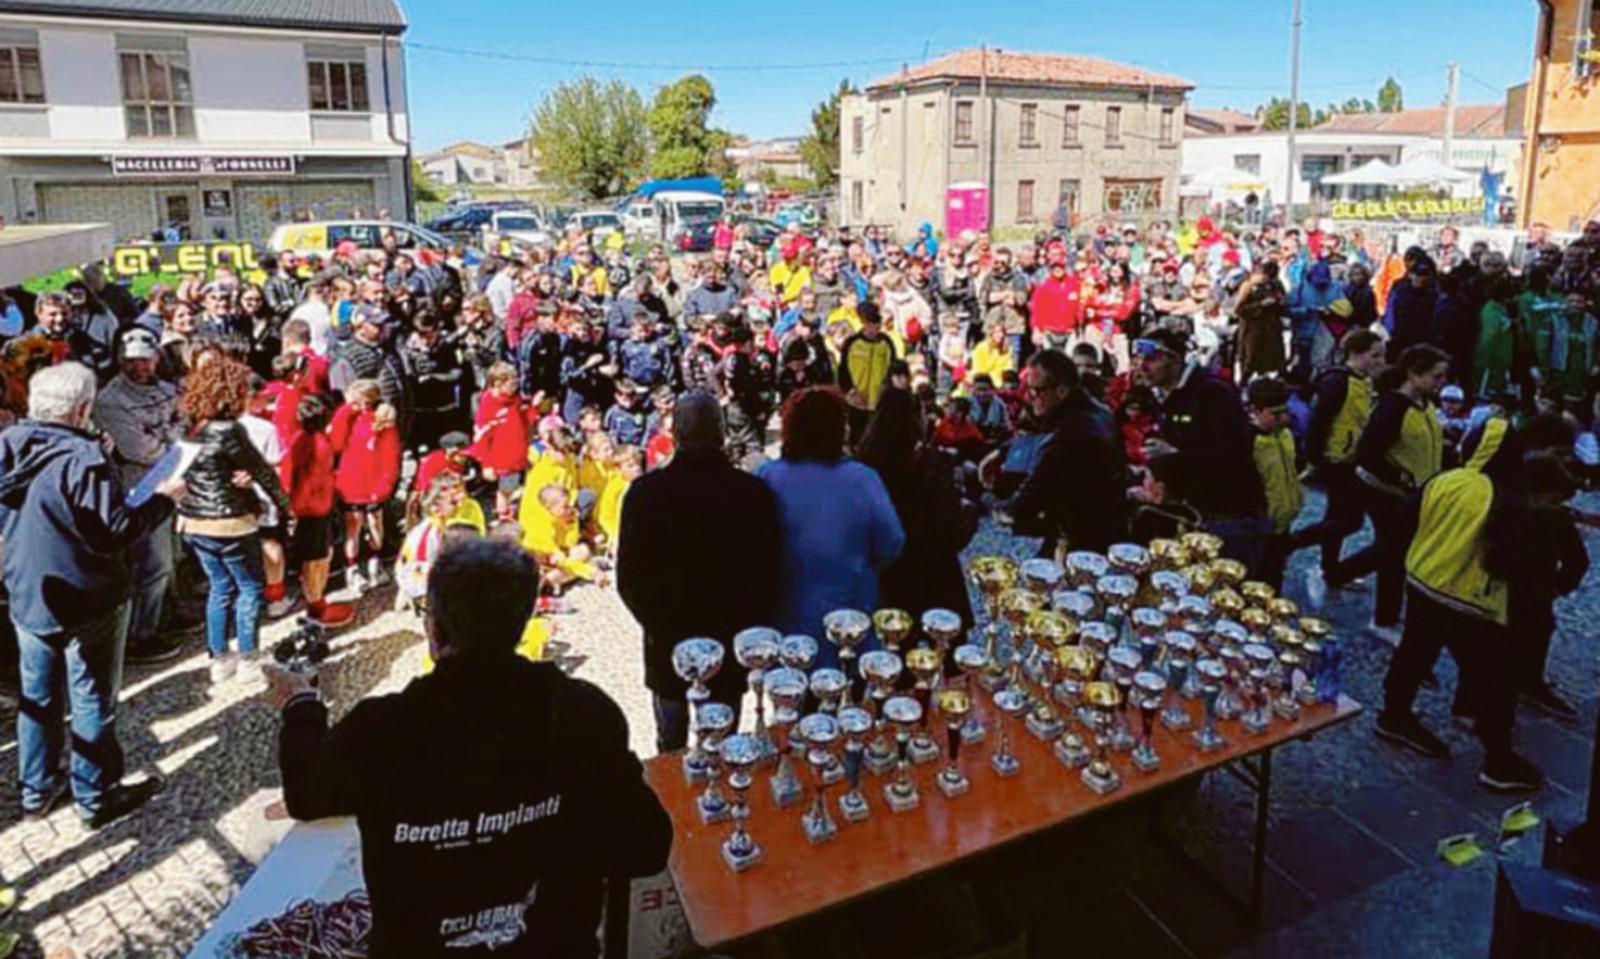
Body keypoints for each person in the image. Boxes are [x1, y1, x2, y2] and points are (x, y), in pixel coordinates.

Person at [271, 536, 672, 958]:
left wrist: (301, 705)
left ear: (435, 629)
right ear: (523, 621)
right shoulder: (582, 713)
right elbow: (644, 848)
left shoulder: (380, 730)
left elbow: (305, 793)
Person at [2, 363, 185, 826]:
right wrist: (165, 498)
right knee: (91, 696)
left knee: (37, 696)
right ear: (83, 408)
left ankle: (36, 791)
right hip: (87, 594)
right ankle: (96, 795)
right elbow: (114, 530)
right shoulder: (83, 459)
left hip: (28, 587)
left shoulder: (9, 443)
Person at [1377, 417, 1541, 793]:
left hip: (1422, 581)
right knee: (1494, 678)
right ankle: (1499, 761)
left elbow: (1405, 524)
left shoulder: (1443, 479)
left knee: (1413, 653)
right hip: (1471, 601)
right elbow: (1505, 562)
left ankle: (1393, 715)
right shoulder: (1507, 498)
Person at [616, 392, 781, 752]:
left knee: (672, 748)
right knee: (725, 745)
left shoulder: (645, 494)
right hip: (730, 636)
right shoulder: (751, 492)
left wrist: (660, 628)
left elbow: (629, 578)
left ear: (675, 434)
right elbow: (771, 571)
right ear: (722, 435)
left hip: (669, 639)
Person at [758, 387, 904, 665]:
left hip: (789, 614)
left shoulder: (768, 476)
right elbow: (891, 542)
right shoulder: (863, 479)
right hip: (852, 609)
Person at [176, 357, 291, 686]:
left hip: (194, 520)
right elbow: (263, 472)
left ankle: (218, 658)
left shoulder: (191, 425)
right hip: (230, 519)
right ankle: (248, 659)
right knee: (250, 587)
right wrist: (285, 508)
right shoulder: (229, 430)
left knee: (219, 588)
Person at [1338, 345, 1449, 644]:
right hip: (1386, 491)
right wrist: (1401, 477)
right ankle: (1384, 619)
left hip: (1415, 492)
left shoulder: (1425, 403)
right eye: (1436, 376)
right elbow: (1368, 453)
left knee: (1391, 547)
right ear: (1414, 374)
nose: (1441, 383)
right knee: (1396, 553)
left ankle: (1338, 574)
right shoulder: (1392, 408)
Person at [1136, 329, 1268, 568]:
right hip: (1196, 512)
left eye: (1151, 359)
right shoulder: (1163, 393)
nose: (1141, 366)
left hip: (1230, 517)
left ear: (1175, 360)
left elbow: (1233, 458)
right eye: (1139, 359)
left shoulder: (1213, 392)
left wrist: (1176, 456)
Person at [91, 329, 185, 663]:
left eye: (146, 359)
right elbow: (138, 447)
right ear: (121, 361)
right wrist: (173, 444)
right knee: (152, 561)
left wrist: (171, 441)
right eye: (132, 361)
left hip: (172, 476)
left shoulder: (165, 389)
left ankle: (166, 615)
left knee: (173, 554)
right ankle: (140, 635)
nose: (140, 367)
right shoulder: (110, 399)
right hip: (140, 484)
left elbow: (181, 422)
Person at [858, 389, 977, 636]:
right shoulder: (936, 463)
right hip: (936, 575)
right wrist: (970, 516)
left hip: (890, 578)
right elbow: (951, 530)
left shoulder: (865, 466)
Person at [1006, 349, 1127, 554]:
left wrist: (1002, 506)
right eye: (1028, 389)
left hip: (1081, 537)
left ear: (1061, 391)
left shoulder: (1071, 434)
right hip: (1104, 524)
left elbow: (1029, 499)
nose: (1030, 397)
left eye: (1037, 390)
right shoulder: (1098, 410)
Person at [1297, 329, 1386, 604]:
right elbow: (1320, 421)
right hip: (1337, 461)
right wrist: (1315, 457)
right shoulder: (1339, 382)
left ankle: (1330, 567)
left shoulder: (1363, 382)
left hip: (1349, 458)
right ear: (1355, 355)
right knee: (1347, 520)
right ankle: (1294, 545)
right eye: (1375, 355)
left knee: (1338, 518)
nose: (1380, 361)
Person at [278, 395, 355, 627]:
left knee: (320, 556)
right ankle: (316, 607)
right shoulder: (315, 444)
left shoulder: (301, 440)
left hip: (313, 507)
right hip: (313, 509)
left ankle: (317, 601)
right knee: (316, 559)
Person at [1246, 378, 1303, 592]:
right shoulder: (1248, 441)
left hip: (1284, 520)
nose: (1284, 419)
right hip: (1261, 526)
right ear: (1255, 410)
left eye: (1285, 412)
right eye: (1275, 414)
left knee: (1275, 576)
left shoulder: (1286, 435)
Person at [837, 302, 897, 442]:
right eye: (870, 325)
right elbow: (843, 370)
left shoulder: (886, 343)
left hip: (879, 401)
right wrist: (850, 391)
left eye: (877, 326)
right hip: (857, 400)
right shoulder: (852, 342)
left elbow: (892, 368)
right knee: (857, 437)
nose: (874, 330)